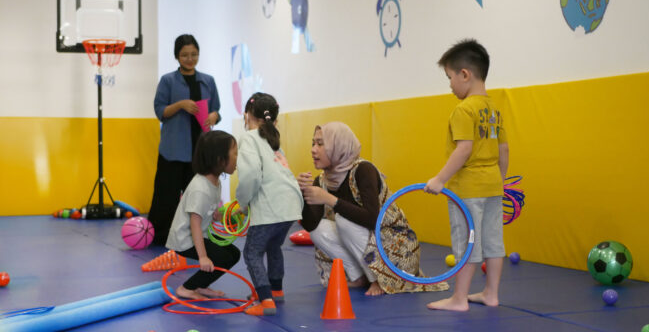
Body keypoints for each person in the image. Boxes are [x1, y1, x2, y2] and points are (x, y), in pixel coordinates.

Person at [298, 122, 449, 296]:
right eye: (313, 143)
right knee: (319, 230)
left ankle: (378, 279)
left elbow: (372, 219)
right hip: (365, 243)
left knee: (343, 220)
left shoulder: (363, 170)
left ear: (337, 146)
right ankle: (358, 276)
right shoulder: (323, 180)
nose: (313, 149)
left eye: (320, 143)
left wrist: (330, 200)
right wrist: (303, 193)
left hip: (395, 248)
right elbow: (311, 225)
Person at [424, 39, 509, 312]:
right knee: (494, 243)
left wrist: (439, 179)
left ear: (465, 75)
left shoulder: (463, 109)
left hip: (468, 190)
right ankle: (491, 293)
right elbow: (504, 149)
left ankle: (459, 298)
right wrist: (500, 180)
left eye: (449, 77)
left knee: (467, 244)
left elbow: (464, 149)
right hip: (493, 186)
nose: (449, 85)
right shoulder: (494, 109)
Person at [149, 34, 221, 245]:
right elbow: (160, 110)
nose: (190, 59)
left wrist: (214, 116)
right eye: (185, 55)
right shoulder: (168, 80)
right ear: (177, 56)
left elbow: (216, 109)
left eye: (194, 54)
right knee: (166, 197)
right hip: (173, 150)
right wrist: (180, 105)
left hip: (200, 151)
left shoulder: (208, 80)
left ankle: (197, 237)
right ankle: (160, 236)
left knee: (198, 197)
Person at [236, 93, 304, 316]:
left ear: (248, 115)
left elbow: (250, 176)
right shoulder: (273, 139)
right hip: (290, 205)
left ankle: (266, 303)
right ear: (273, 118)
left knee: (252, 253)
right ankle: (276, 292)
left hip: (271, 206)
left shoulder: (249, 138)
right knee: (273, 247)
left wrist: (242, 203)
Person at [166, 130, 241, 300]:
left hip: (199, 235)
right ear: (219, 159)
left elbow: (211, 213)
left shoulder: (215, 182)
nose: (238, 157)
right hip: (186, 240)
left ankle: (201, 285)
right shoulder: (200, 188)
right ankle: (186, 288)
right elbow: (195, 224)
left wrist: (226, 215)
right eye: (235, 153)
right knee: (221, 258)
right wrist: (203, 257)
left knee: (234, 254)